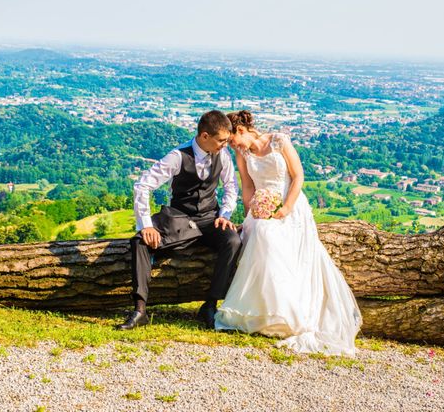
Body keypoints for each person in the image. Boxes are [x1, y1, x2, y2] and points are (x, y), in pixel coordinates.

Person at [214, 110, 362, 356]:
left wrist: (286, 207)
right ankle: (267, 311)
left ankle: (287, 313)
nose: (231, 145)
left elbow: (298, 176)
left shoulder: (279, 140)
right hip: (262, 209)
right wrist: (252, 213)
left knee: (267, 237)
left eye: (232, 140)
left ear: (241, 131)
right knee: (261, 232)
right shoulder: (242, 153)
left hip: (289, 204)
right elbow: (248, 186)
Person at [117, 110, 242, 330]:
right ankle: (140, 309)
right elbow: (142, 185)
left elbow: (231, 186)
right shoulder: (177, 156)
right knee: (140, 241)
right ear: (204, 136)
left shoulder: (222, 156)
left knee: (233, 241)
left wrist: (225, 215)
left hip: (210, 218)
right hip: (179, 219)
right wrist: (146, 225)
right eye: (221, 140)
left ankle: (211, 304)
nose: (226, 144)